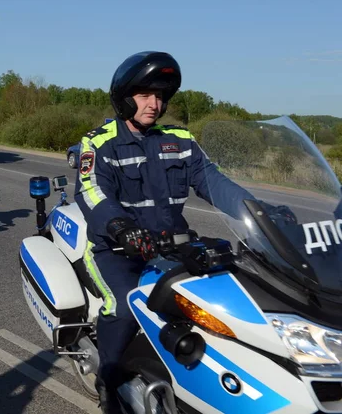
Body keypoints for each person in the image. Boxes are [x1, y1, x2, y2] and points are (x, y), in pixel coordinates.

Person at [73, 51, 258, 413]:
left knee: (224, 298)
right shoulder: (98, 143)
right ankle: (108, 384)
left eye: (160, 96)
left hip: (171, 247)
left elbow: (216, 183)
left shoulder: (180, 140)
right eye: (145, 95)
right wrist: (120, 227)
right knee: (124, 308)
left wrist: (258, 211)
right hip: (117, 251)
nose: (154, 104)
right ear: (125, 97)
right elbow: (92, 191)